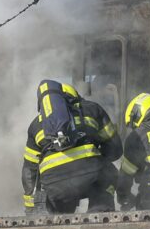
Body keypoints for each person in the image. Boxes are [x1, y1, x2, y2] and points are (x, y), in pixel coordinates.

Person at [22, 79, 121, 214]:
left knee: (56, 201)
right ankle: (99, 212)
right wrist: (96, 159)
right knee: (110, 171)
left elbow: (29, 171)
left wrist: (30, 207)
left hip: (54, 188)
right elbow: (115, 149)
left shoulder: (35, 126)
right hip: (91, 178)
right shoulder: (92, 109)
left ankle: (56, 223)